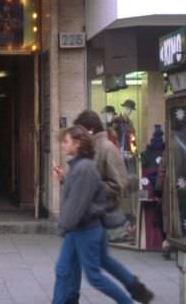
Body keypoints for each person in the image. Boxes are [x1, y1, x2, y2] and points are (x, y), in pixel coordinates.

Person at [65, 110, 154, 304]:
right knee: (99, 260)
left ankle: (131, 293)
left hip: (96, 214)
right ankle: (136, 288)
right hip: (87, 214)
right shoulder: (90, 148)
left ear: (89, 129)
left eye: (79, 130)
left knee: (85, 270)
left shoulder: (106, 148)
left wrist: (91, 189)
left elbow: (119, 183)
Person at [51, 125, 133, 304]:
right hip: (79, 227)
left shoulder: (84, 168)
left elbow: (77, 204)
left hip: (84, 228)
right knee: (63, 270)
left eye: (66, 142)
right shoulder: (79, 166)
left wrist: (63, 226)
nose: (63, 146)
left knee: (94, 277)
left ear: (78, 143)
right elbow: (76, 197)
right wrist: (64, 178)